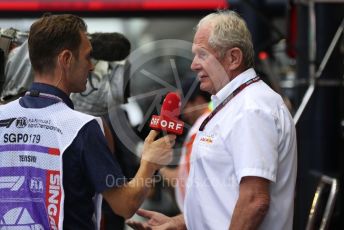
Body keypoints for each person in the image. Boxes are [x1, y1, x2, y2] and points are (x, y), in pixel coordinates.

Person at [0, 14, 175, 230]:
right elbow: (124, 204)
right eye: (87, 57)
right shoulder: (82, 127)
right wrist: (150, 162)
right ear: (66, 59)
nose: (91, 66)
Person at [127, 10, 297, 230]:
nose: (193, 64)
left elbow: (255, 201)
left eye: (203, 54)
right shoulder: (233, 103)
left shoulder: (252, 108)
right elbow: (224, 199)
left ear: (233, 58)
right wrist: (181, 222)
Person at [159, 78, 211, 211]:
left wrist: (154, 164)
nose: (182, 114)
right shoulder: (215, 119)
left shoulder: (200, 130)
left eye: (185, 107)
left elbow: (184, 181)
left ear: (198, 101)